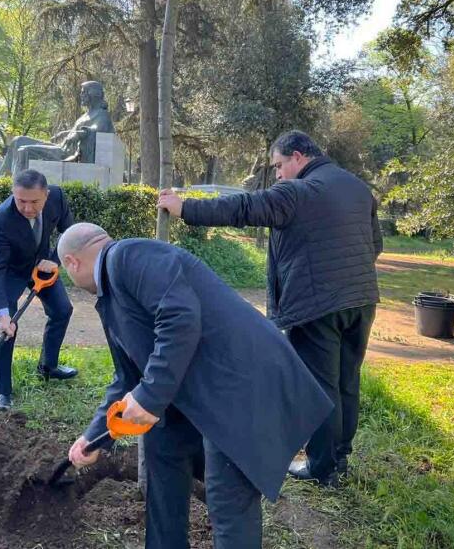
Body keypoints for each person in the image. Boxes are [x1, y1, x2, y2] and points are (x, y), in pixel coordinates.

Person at [58, 223, 333, 548]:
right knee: (162, 446)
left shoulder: (128, 256)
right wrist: (93, 437)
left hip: (242, 382)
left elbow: (179, 317)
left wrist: (148, 398)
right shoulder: (112, 295)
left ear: (71, 263)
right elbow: (128, 378)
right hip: (207, 390)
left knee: (227, 494)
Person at [158, 130, 383, 488]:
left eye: (279, 166)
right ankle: (339, 457)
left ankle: (323, 468)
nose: (277, 175)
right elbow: (375, 243)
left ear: (298, 157)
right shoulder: (356, 186)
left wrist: (186, 208)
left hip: (317, 307)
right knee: (346, 381)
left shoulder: (298, 192)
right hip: (362, 300)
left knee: (320, 387)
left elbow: (244, 208)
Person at [0, 169, 77, 410]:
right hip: (10, 270)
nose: (26, 208)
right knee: (7, 328)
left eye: (34, 202)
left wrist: (55, 259)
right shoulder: (2, 219)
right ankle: (2, 392)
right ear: (13, 194)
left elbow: (70, 232)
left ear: (46, 195)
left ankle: (48, 366)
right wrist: (3, 315)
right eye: (20, 201)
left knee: (62, 310)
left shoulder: (57, 198)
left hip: (42, 263)